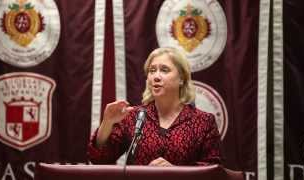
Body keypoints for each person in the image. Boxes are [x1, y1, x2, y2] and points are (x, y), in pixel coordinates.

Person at [88, 47, 221, 166]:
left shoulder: (204, 121)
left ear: (181, 79)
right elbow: (99, 159)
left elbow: (212, 170)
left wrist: (176, 174)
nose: (156, 76)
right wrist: (107, 123)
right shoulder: (132, 117)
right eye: (152, 71)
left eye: (164, 70)